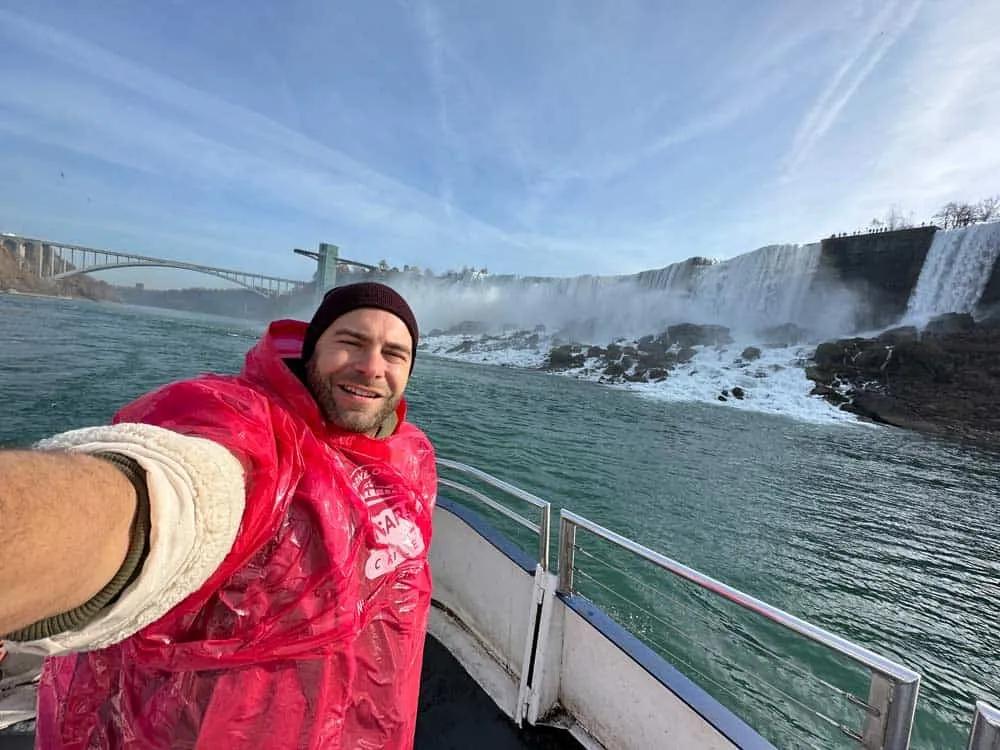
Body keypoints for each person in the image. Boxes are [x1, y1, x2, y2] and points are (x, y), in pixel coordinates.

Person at [0, 282, 438, 749]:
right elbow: (176, 497)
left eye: (395, 354)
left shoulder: (408, 456)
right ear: (311, 351)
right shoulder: (247, 423)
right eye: (350, 342)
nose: (372, 368)